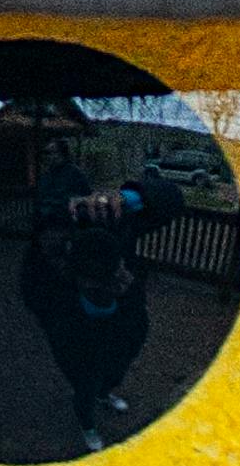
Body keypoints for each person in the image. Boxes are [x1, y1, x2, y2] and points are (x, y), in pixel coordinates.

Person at [20, 146, 152, 441]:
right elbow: (38, 301)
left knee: (111, 373)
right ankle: (87, 423)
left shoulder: (105, 251)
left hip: (115, 338)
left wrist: (127, 198)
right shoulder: (50, 280)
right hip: (77, 341)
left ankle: (104, 393)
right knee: (85, 383)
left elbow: (168, 200)